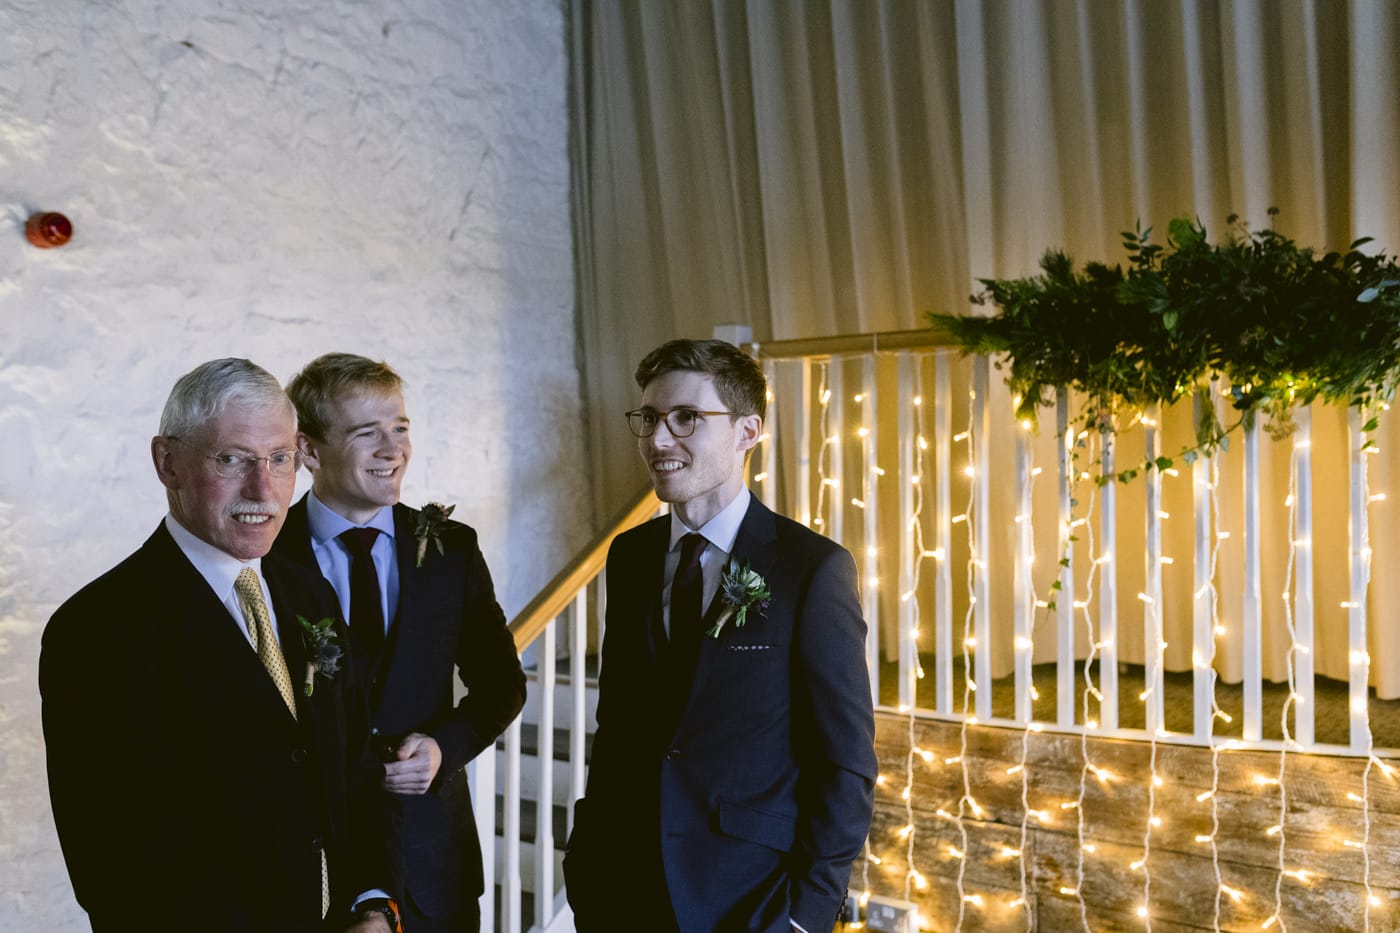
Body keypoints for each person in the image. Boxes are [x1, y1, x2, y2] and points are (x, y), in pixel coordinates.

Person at [40, 358, 398, 933]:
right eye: (230, 459)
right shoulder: (97, 630)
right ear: (168, 463)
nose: (262, 489)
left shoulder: (311, 596)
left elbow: (352, 766)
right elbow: (115, 861)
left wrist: (372, 902)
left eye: (279, 460)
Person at [563, 338, 877, 933]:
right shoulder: (629, 557)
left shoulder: (811, 568)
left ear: (747, 431)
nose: (658, 440)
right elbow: (620, 721)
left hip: (750, 897)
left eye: (686, 419)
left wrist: (806, 915)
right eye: (650, 419)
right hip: (622, 890)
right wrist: (588, 861)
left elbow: (845, 761)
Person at [273, 352, 526, 932]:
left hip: (433, 861)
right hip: (310, 862)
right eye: (368, 433)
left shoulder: (451, 549)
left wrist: (444, 748)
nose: (393, 449)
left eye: (400, 428)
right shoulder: (265, 556)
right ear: (309, 450)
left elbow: (502, 684)